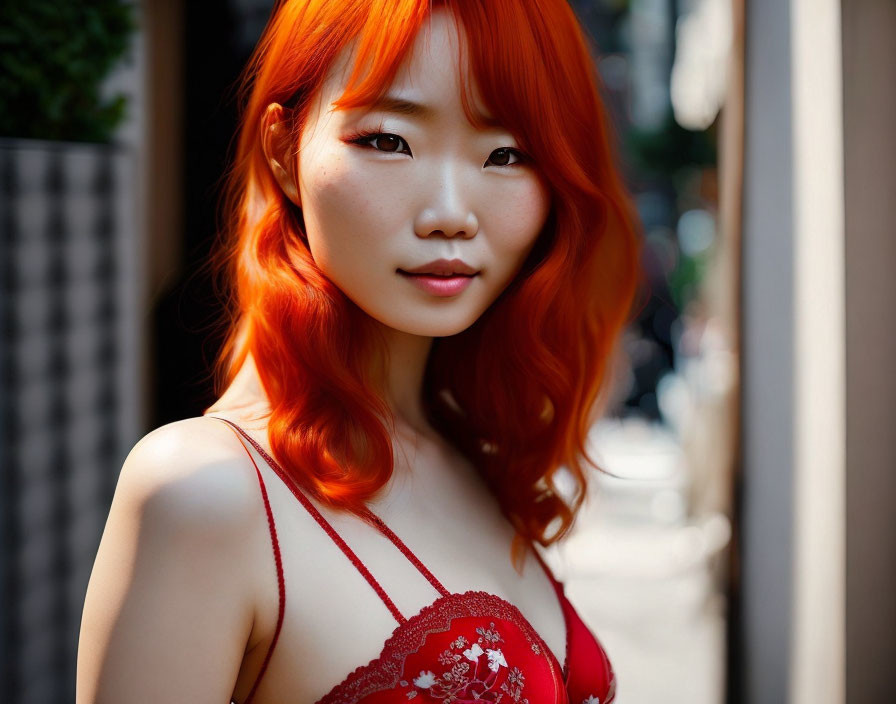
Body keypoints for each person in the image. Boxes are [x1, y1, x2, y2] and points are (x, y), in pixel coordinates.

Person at [77, 0, 643, 702]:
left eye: (506, 154)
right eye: (388, 140)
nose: (449, 214)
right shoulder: (202, 493)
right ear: (284, 151)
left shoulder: (473, 451)